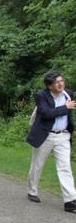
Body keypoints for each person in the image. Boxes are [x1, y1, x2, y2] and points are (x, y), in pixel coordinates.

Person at [26, 71, 76, 213]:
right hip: (45, 135)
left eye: (61, 81)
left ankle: (70, 201)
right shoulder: (41, 96)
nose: (60, 84)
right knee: (37, 166)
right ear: (49, 86)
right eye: (56, 82)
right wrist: (65, 108)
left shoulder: (68, 94)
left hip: (63, 136)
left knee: (65, 167)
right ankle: (32, 191)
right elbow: (46, 113)